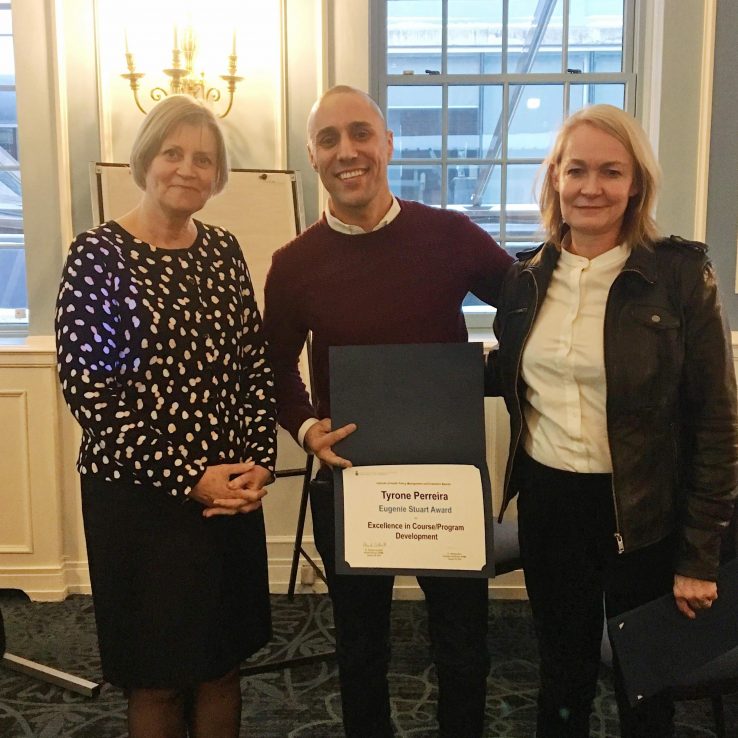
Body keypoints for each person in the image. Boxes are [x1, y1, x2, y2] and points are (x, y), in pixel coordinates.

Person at [263, 85, 513, 738]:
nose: (347, 151)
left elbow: (528, 307)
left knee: (462, 647)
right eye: (328, 139)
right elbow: (271, 365)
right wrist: (308, 426)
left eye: (361, 133)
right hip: (349, 482)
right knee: (360, 649)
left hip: (446, 485)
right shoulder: (292, 266)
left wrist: (487, 375)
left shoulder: (451, 236)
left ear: (388, 145)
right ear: (312, 158)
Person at [487, 104, 738, 737]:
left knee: (644, 685)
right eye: (576, 170)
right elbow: (513, 378)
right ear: (554, 179)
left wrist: (700, 556)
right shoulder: (525, 278)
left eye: (610, 171)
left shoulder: (680, 275)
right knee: (562, 674)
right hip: (550, 505)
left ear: (636, 185)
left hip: (643, 510)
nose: (591, 187)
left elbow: (716, 423)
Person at [55, 95, 277, 738]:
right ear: (146, 158)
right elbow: (92, 394)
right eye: (173, 152)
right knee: (157, 678)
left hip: (228, 498)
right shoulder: (98, 257)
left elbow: (252, 370)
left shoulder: (224, 251)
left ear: (218, 174)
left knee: (221, 666)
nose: (187, 168)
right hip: (139, 503)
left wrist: (258, 465)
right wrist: (189, 477)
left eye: (203, 158)